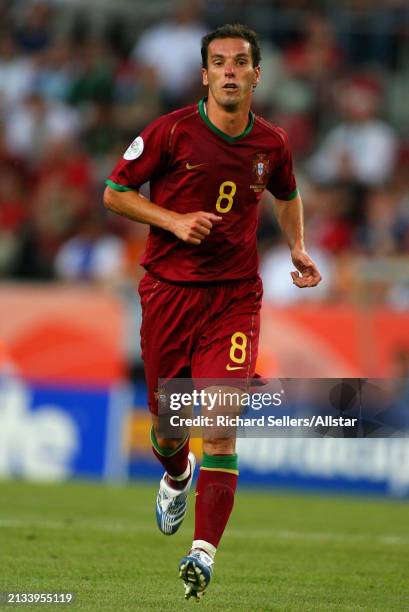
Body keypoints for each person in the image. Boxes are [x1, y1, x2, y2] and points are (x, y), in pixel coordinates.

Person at [104, 23, 321, 601]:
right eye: (219, 62)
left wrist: (297, 245)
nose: (229, 70)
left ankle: (203, 554)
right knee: (169, 427)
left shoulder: (271, 143)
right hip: (169, 294)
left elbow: (288, 192)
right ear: (205, 74)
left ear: (256, 74)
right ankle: (177, 473)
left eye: (240, 61)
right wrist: (173, 221)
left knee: (221, 425)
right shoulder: (171, 132)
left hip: (234, 299)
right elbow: (114, 192)